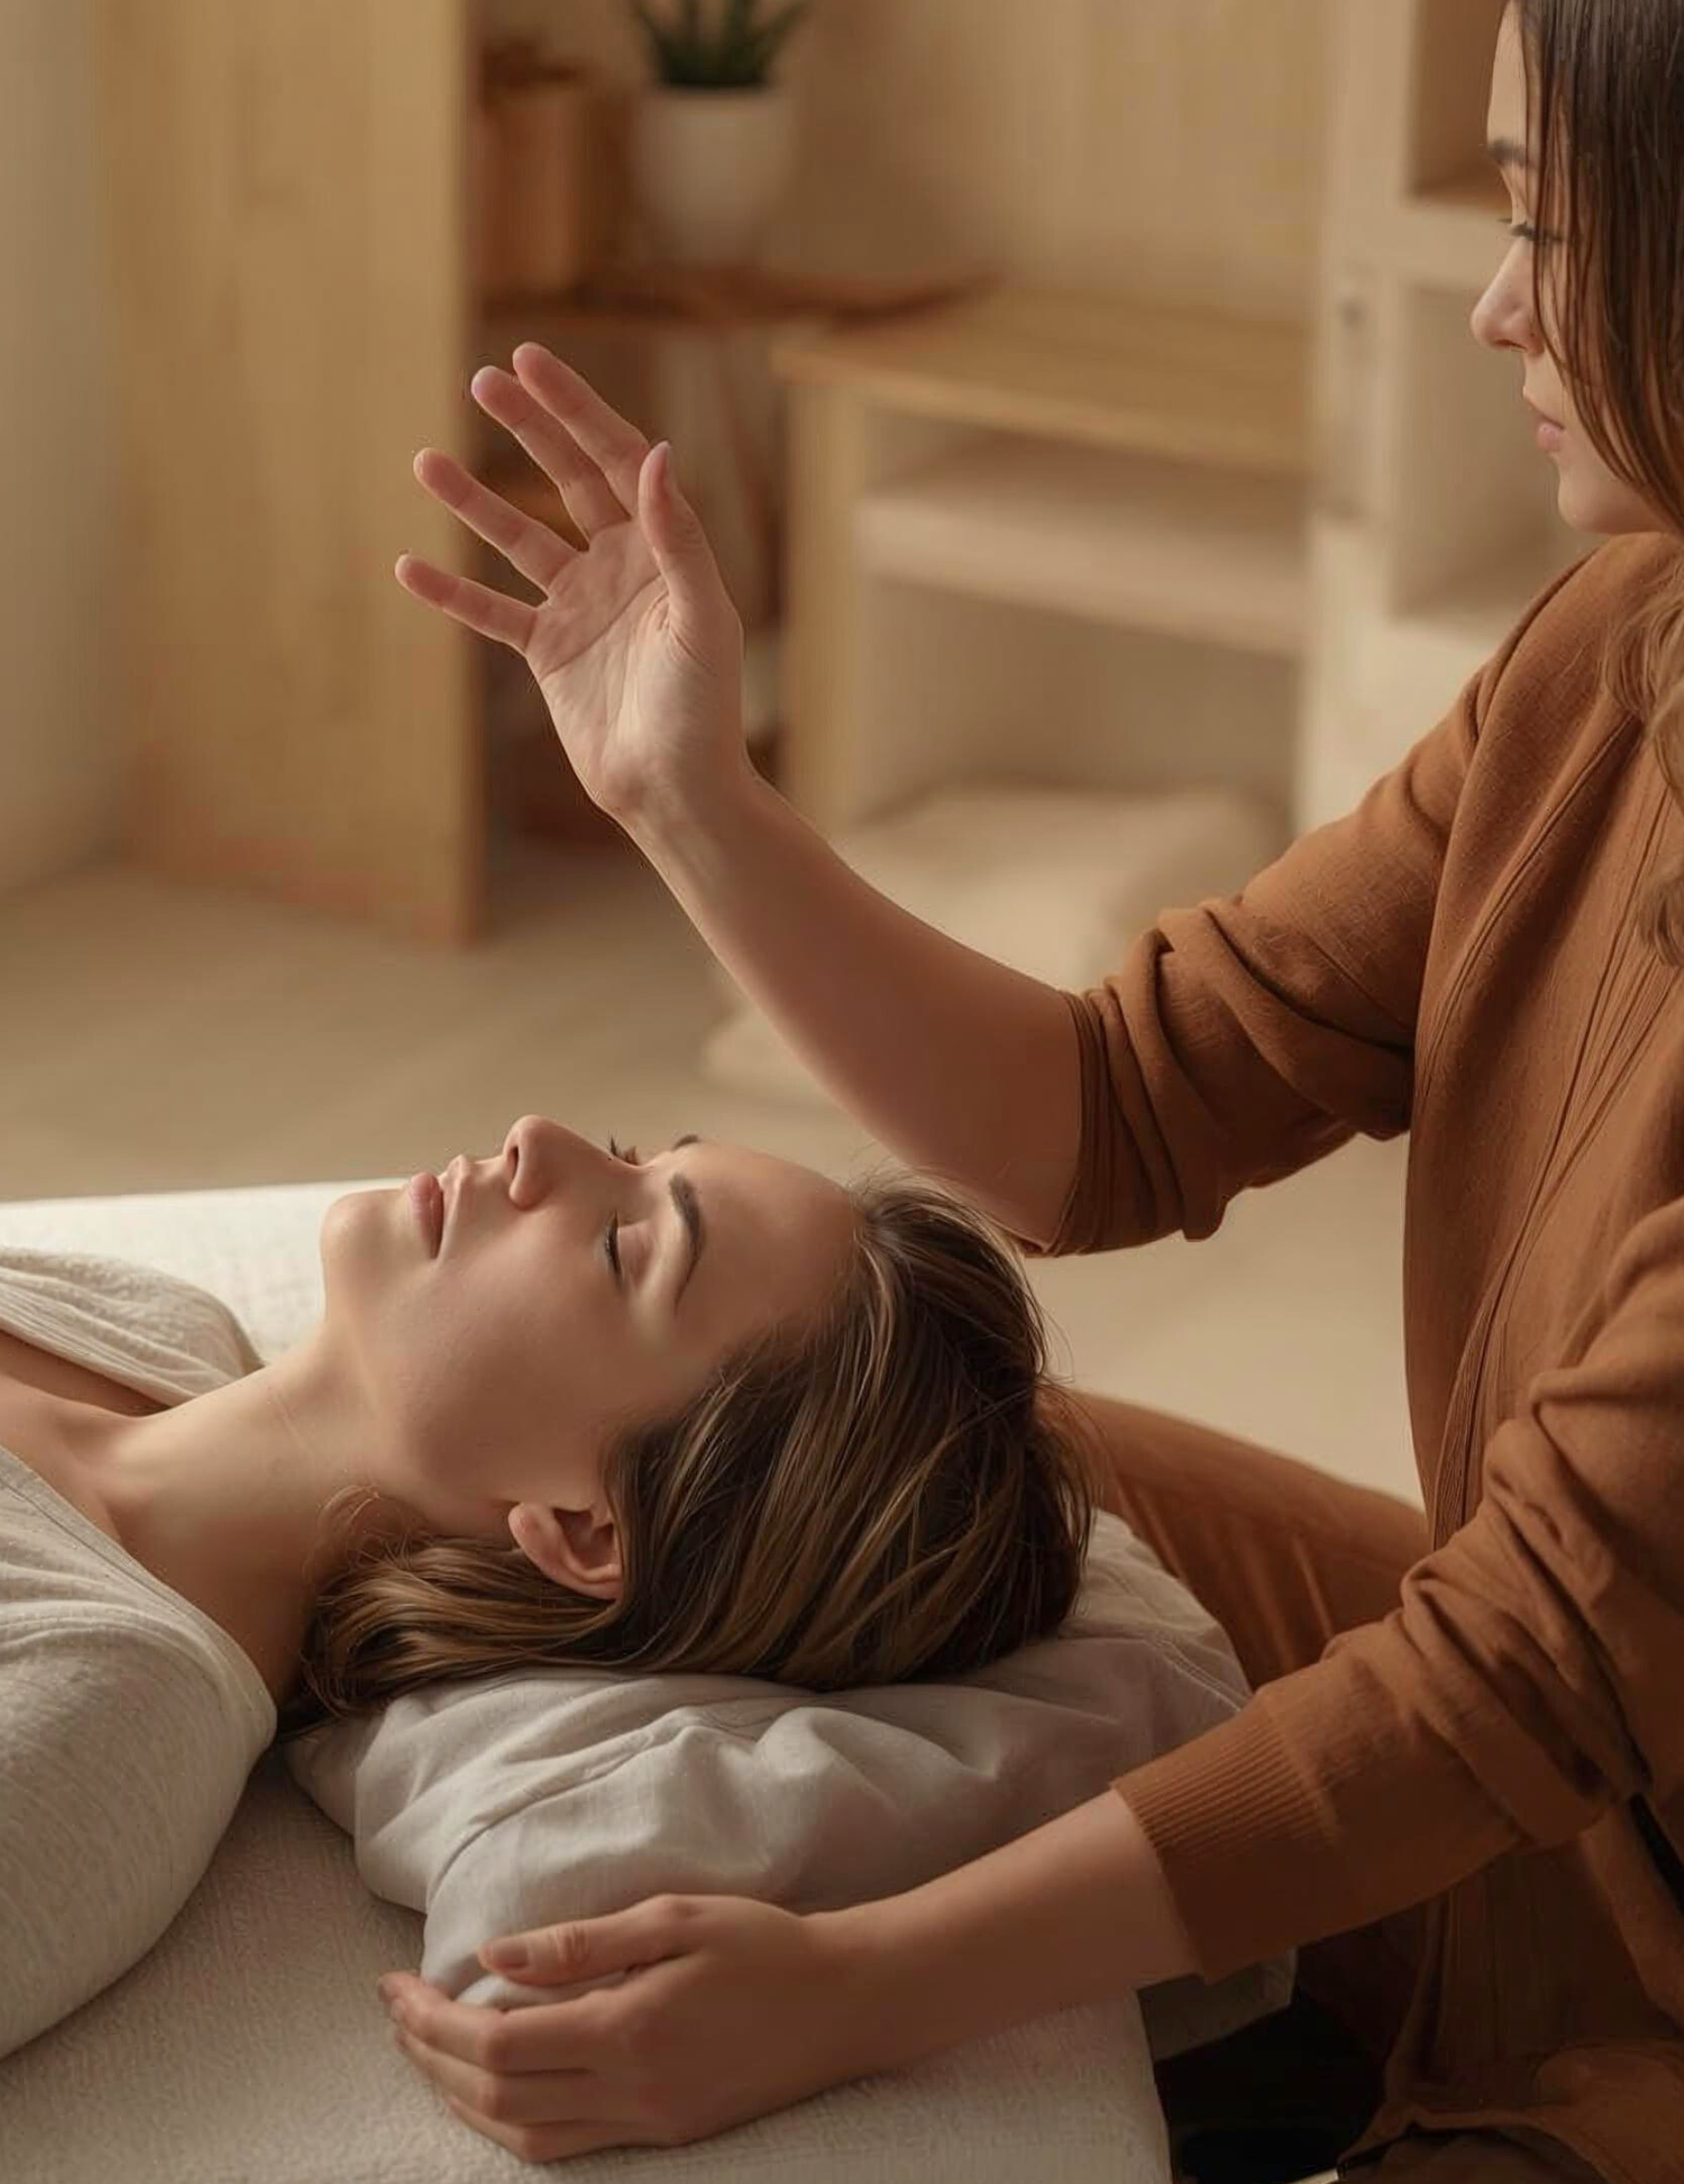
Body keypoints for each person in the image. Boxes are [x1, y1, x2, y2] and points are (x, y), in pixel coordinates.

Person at [379, 5, 1683, 2178]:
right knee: (946, 1472)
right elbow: (1119, 1108)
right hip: (1576, 1773)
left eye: (1551, 224)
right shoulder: (1611, 653)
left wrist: (863, 1986)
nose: (1490, 299)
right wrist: (687, 793)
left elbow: (1512, 1682)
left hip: (1627, 1925)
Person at [0, 1124, 1097, 2181]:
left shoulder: (82, 1713)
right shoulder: (148, 1323)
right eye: (627, 1149)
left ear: (585, 1527)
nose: (542, 1145)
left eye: (626, 1246)